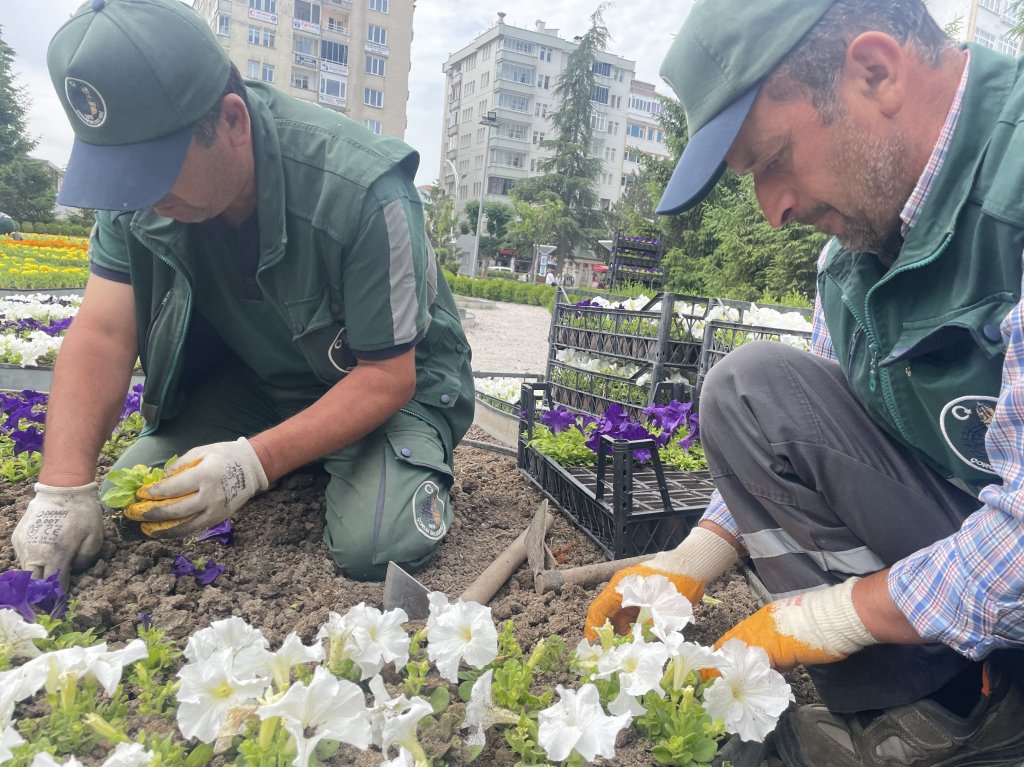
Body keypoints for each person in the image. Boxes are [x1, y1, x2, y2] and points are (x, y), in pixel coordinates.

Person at [585, 0, 1024, 764]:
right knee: (748, 391)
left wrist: (828, 618)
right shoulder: (853, 258)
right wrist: (694, 558)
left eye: (775, 158)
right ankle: (937, 711)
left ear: (876, 71)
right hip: (974, 540)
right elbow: (802, 431)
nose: (774, 211)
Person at [11, 0, 473, 587]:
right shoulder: (135, 196)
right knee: (133, 509)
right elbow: (102, 333)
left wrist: (252, 465)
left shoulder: (362, 191)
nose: (143, 199)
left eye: (154, 170)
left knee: (378, 548)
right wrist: (61, 487)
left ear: (231, 121)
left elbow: (388, 376)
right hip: (254, 386)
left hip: (383, 391)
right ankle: (309, 456)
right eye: (122, 175)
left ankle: (356, 460)